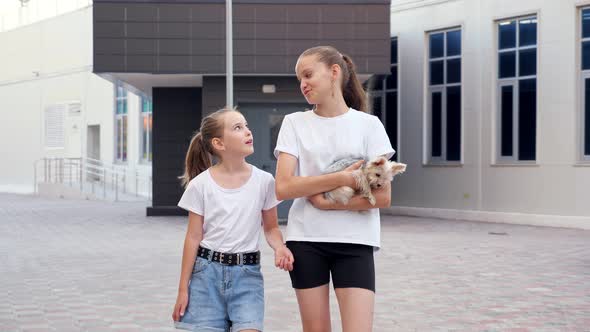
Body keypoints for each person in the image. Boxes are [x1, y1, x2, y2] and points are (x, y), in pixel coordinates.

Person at [274, 46, 395, 332]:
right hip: (306, 240)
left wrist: (328, 202)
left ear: (334, 72)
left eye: (308, 75)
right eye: (299, 79)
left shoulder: (370, 126)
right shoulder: (294, 123)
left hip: (356, 242)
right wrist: (344, 178)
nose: (303, 84)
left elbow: (383, 196)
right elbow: (284, 186)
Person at [172, 107, 294, 332]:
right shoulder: (200, 185)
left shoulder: (265, 181)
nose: (248, 131)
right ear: (219, 144)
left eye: (246, 126)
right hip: (205, 277)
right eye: (238, 128)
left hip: (247, 277)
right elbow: (193, 237)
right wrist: (183, 289)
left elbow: (271, 228)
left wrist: (280, 247)